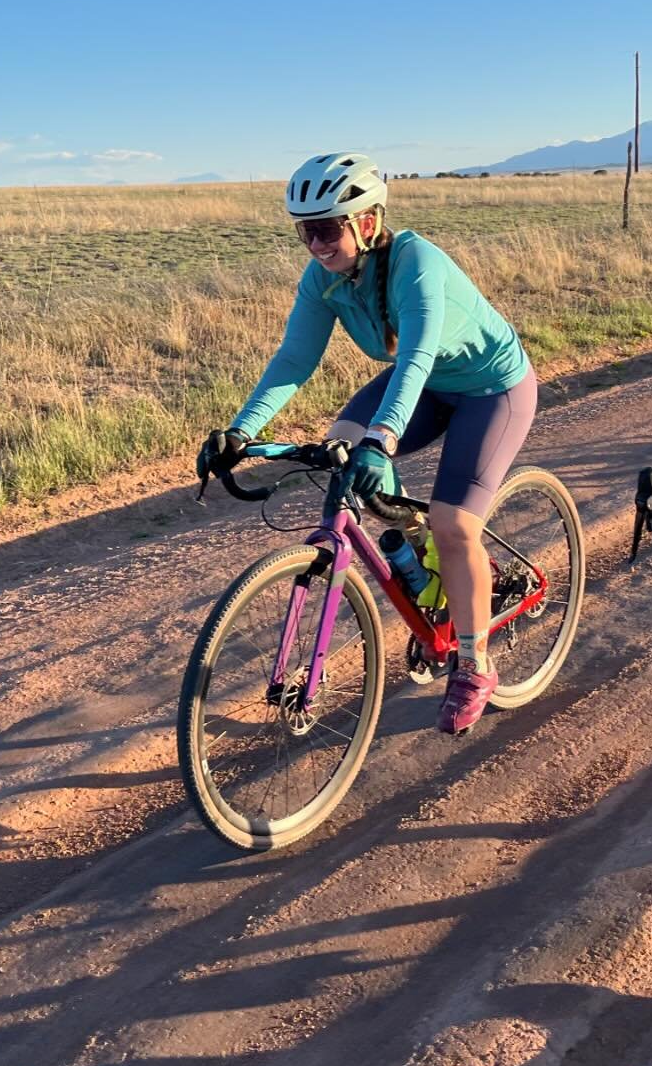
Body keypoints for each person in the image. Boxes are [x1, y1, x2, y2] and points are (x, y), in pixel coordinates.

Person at [197, 152, 537, 734]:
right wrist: (241, 431)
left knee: (455, 525)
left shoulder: (417, 263)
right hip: (427, 383)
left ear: (368, 223)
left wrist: (383, 438)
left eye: (327, 229)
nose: (316, 244)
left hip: (490, 389)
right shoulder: (324, 279)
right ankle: (430, 566)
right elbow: (295, 359)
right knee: (342, 453)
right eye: (306, 231)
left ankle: (475, 664)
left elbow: (416, 357)